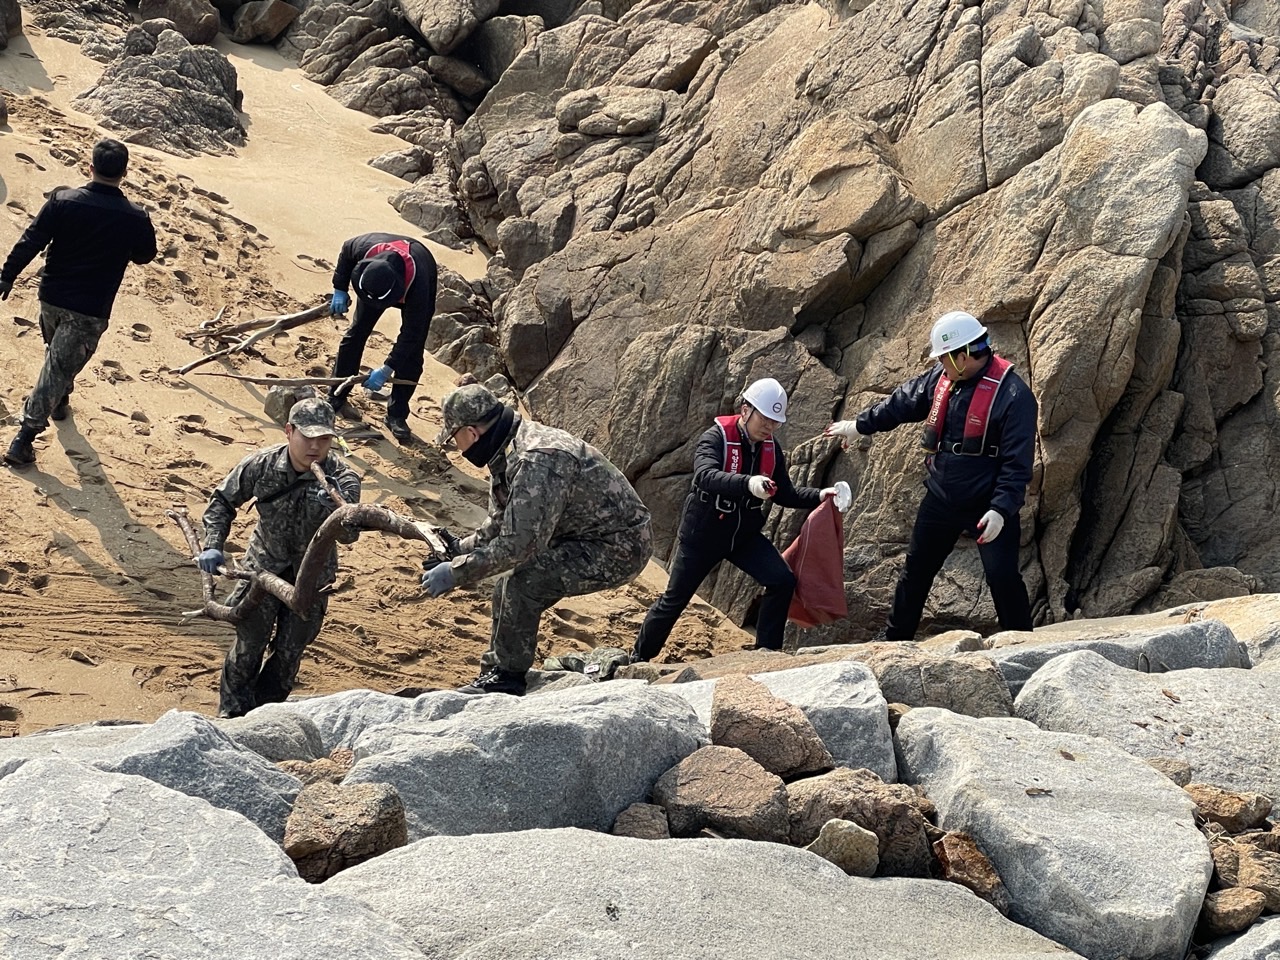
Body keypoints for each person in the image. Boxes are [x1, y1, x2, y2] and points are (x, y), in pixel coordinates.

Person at [424, 384, 653, 695]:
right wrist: (458, 549)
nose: (457, 447)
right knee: (508, 584)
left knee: (524, 581)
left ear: (471, 432)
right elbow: (501, 522)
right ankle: (495, 670)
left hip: (619, 546)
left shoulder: (536, 459)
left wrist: (456, 573)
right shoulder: (506, 448)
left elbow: (518, 547)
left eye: (454, 438)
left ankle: (507, 678)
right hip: (579, 533)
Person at [826, 310, 1037, 640]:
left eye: (943, 357)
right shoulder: (943, 378)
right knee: (916, 570)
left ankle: (1023, 640)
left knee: (1003, 576)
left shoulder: (1014, 396)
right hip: (942, 497)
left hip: (988, 503)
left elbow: (1017, 464)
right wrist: (859, 425)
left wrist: (1000, 509)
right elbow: (901, 403)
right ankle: (895, 639)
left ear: (963, 356)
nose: (940, 364)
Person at [632, 378, 847, 663]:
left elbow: (785, 494)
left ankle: (767, 653)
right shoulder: (715, 438)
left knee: (782, 581)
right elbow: (705, 476)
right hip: (703, 535)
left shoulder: (771, 449)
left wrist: (821, 495)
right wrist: (748, 483)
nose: (769, 426)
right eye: (764, 418)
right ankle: (639, 657)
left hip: (742, 535)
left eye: (775, 421)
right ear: (746, 410)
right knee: (675, 599)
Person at [196, 398, 362, 718]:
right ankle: (232, 714)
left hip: (310, 579)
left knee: (288, 654)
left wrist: (336, 513)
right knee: (249, 645)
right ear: (289, 431)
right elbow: (222, 501)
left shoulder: (343, 479)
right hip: (263, 568)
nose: (315, 446)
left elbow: (350, 536)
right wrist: (213, 544)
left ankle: (264, 715)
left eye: (324, 438)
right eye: (307, 437)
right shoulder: (262, 465)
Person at [2, 138, 157, 467]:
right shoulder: (135, 217)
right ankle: (24, 439)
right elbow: (146, 255)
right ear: (124, 173)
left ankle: (59, 400)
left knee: (57, 359)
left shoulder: (62, 201)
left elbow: (32, 239)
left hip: (51, 298)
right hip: (90, 308)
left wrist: (8, 275)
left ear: (90, 168)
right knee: (58, 366)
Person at [327, 232, 438, 441]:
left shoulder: (418, 285)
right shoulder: (364, 247)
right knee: (356, 333)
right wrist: (339, 287)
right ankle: (337, 393)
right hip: (377, 284)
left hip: (419, 273)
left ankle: (397, 414)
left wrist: (387, 369)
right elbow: (346, 249)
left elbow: (411, 335)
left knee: (412, 354)